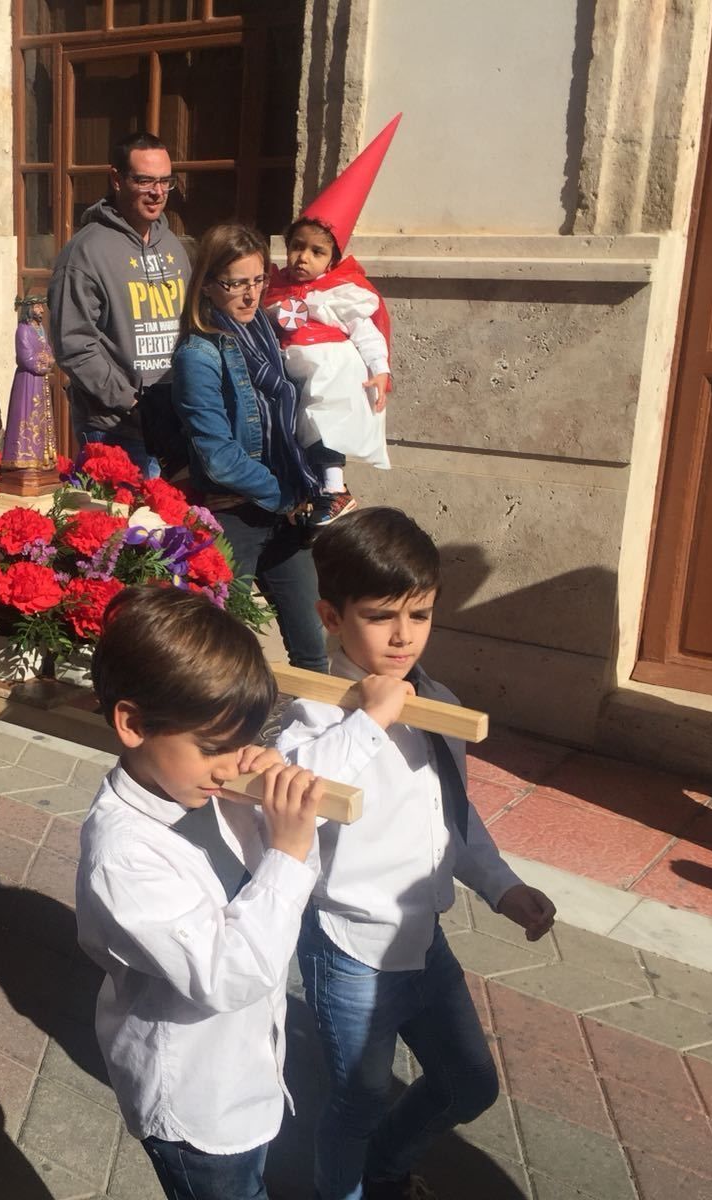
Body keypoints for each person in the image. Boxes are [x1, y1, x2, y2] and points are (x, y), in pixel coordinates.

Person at [275, 508, 557, 1200]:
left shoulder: (438, 703)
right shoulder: (310, 721)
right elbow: (306, 789)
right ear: (331, 617)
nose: (404, 636)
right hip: (349, 950)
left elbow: (451, 819)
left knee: (470, 1083)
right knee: (358, 1099)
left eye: (421, 614)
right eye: (380, 616)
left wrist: (502, 886)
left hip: (424, 944)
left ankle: (388, 1166)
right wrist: (371, 718)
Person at [76, 585, 323, 1200]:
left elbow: (273, 879)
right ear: (132, 724)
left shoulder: (204, 789)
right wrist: (289, 853)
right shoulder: (122, 855)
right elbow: (230, 974)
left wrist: (278, 824)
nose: (231, 764)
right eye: (215, 748)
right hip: (196, 1104)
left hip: (246, 1073)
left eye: (242, 742)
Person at [170, 221, 328, 672]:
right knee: (224, 658)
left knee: (312, 650)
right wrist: (284, 495)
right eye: (236, 283)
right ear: (208, 284)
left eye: (258, 280)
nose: (250, 294)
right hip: (236, 517)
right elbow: (218, 456)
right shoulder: (198, 355)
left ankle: (311, 739)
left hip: (284, 513)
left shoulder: (266, 332)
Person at [263, 117, 401, 521]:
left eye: (316, 252)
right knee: (297, 426)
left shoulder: (341, 293)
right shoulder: (273, 288)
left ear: (332, 260)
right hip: (292, 370)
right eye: (296, 247)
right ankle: (310, 488)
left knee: (324, 423)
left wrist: (380, 370)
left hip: (330, 370)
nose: (302, 258)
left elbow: (367, 331)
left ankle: (335, 489)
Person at [48, 132, 188, 479]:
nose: (157, 192)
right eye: (144, 181)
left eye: (165, 181)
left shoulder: (173, 246)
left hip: (174, 425)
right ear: (116, 179)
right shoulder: (86, 252)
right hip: (115, 430)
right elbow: (73, 345)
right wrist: (131, 402)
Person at [2, 294, 57, 470]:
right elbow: (25, 357)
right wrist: (43, 361)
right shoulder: (23, 329)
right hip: (28, 381)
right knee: (27, 416)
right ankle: (23, 458)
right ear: (29, 309)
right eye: (38, 306)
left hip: (41, 382)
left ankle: (42, 457)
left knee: (42, 419)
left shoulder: (40, 328)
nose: (41, 310)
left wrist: (49, 359)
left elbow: (48, 350)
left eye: (42, 306)